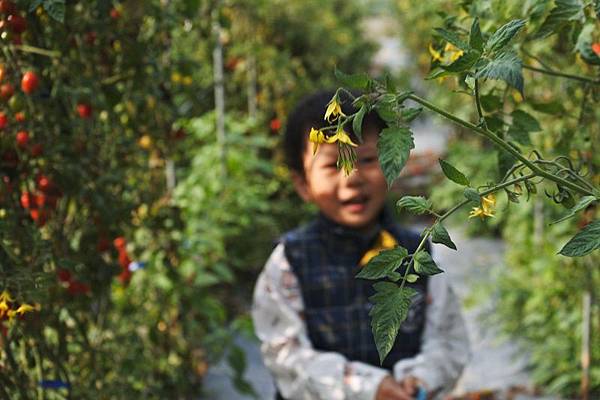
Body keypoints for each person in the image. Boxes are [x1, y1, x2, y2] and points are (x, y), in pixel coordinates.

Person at [251, 90, 470, 400]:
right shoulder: (290, 262)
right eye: (331, 165)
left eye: (367, 159)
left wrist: (420, 379)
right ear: (303, 184)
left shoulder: (416, 253)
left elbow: (448, 340)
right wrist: (367, 387)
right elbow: (286, 356)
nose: (352, 178)